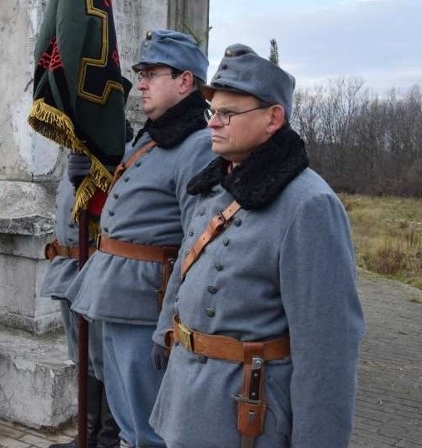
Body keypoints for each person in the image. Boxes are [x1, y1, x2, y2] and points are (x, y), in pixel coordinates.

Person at [150, 45, 365, 447]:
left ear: (273, 118)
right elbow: (186, 264)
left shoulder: (309, 205)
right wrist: (166, 331)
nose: (213, 123)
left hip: (246, 416)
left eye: (228, 113)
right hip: (187, 396)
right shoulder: (214, 184)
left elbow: (328, 353)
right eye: (213, 111)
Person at [65, 29, 215, 447]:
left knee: (150, 430)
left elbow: (195, 243)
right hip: (115, 294)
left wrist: (168, 322)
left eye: (152, 73)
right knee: (129, 423)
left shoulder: (198, 146)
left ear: (185, 82)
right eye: (140, 73)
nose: (141, 82)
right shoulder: (149, 138)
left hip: (147, 303)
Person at [40, 169, 121, 448]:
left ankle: (106, 440)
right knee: (81, 356)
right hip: (68, 269)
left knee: (102, 360)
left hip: (95, 272)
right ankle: (86, 436)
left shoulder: (111, 157)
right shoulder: (75, 157)